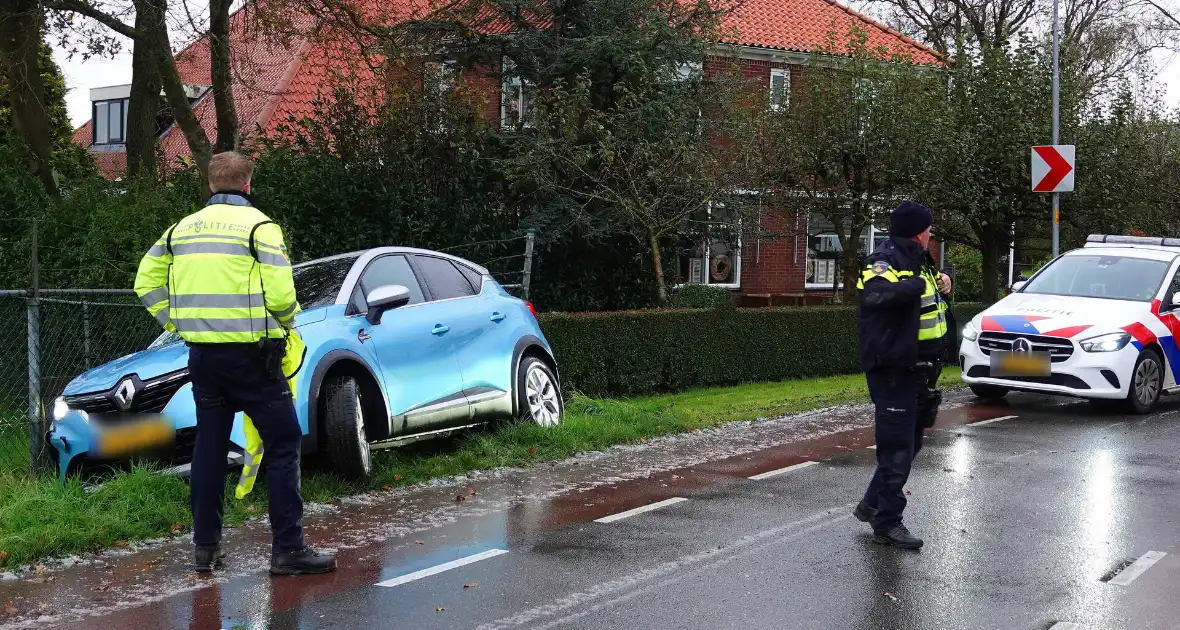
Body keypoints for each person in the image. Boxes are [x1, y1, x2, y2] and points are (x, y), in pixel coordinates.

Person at [134, 151, 337, 575]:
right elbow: (282, 297)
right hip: (253, 356)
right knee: (283, 442)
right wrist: (284, 325)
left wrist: (178, 321)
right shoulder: (261, 228)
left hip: (203, 356)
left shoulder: (179, 231)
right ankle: (288, 549)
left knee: (209, 445)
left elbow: (145, 282)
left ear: (210, 184)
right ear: (247, 184)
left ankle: (205, 550)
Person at [853, 200, 952, 550]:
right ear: (918, 231)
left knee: (911, 443)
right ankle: (887, 523)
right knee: (897, 448)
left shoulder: (918, 259)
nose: (930, 234)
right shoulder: (885, 259)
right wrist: (917, 285)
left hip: (919, 370)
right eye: (928, 229)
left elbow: (927, 304)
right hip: (895, 370)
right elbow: (877, 295)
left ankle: (872, 503)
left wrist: (943, 282)